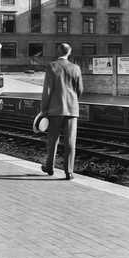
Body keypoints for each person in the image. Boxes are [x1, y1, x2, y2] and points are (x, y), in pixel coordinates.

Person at [40, 42, 83, 180]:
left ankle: (50, 167)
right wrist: (73, 100)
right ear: (69, 53)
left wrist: (43, 109)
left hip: (55, 109)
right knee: (70, 141)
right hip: (72, 110)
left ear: (58, 52)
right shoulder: (76, 68)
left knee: (52, 140)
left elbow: (47, 91)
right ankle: (69, 172)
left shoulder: (52, 66)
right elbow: (80, 90)